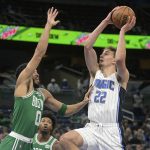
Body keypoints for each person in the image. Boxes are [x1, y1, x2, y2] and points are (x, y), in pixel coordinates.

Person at [0, 7, 90, 150]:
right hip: (15, 142)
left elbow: (65, 110)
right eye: (33, 71)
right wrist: (48, 26)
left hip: (29, 144)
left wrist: (84, 102)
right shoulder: (22, 85)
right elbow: (39, 53)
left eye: (36, 71)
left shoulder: (43, 93)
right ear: (25, 73)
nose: (37, 73)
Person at [59, 7, 136, 150]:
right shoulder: (95, 73)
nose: (102, 55)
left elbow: (120, 59)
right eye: (102, 53)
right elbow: (87, 47)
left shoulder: (121, 77)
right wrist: (106, 21)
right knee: (65, 140)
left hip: (111, 132)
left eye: (106, 53)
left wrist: (122, 32)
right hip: (92, 128)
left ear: (113, 60)